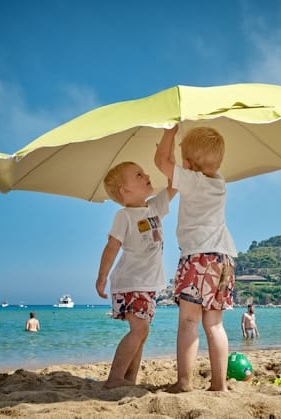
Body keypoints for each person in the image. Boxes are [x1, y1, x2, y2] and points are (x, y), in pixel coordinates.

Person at [155, 125, 237, 393]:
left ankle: (184, 382)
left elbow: (161, 162)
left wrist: (169, 132)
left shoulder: (192, 180)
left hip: (198, 258)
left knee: (189, 321)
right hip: (223, 259)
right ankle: (219, 385)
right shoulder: (219, 183)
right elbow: (172, 167)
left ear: (189, 165)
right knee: (215, 324)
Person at [95, 159, 176, 389]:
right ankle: (115, 379)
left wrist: (169, 157)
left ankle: (128, 381)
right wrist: (102, 277)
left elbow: (174, 186)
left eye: (143, 172)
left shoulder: (154, 207)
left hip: (148, 284)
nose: (146, 175)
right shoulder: (124, 216)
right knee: (139, 329)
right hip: (130, 282)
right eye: (138, 175)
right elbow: (112, 246)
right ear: (125, 190)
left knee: (142, 332)